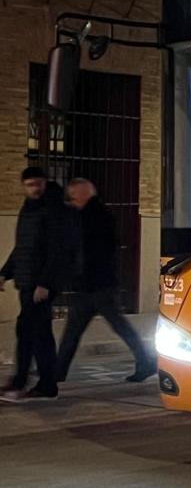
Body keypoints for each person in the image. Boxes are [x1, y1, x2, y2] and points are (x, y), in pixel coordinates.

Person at [56, 179, 155, 384]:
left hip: (97, 285)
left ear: (83, 194)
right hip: (95, 284)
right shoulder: (95, 215)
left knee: (88, 329)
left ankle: (146, 361)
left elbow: (89, 251)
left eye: (73, 195)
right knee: (80, 330)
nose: (71, 199)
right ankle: (145, 361)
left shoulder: (92, 217)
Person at [1, 167, 71, 401]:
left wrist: (45, 283)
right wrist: (5, 273)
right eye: (30, 185)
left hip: (40, 285)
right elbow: (23, 246)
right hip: (27, 281)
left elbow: (56, 250)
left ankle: (22, 382)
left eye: (38, 184)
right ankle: (45, 384)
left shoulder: (53, 209)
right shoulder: (28, 208)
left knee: (28, 331)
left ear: (44, 182)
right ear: (24, 185)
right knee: (37, 333)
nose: (34, 189)